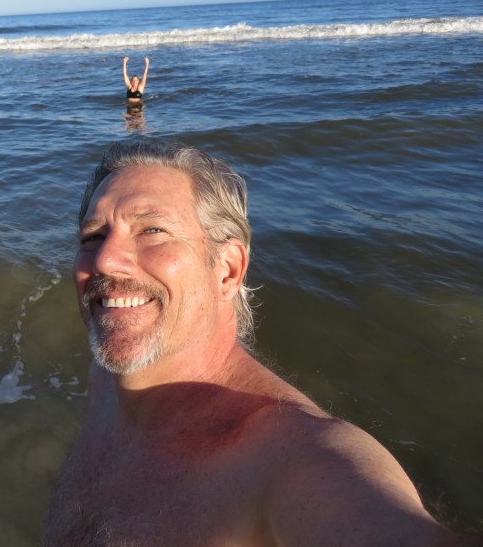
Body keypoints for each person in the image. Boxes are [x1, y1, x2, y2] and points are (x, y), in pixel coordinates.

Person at [45, 139, 479, 547]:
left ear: (228, 270)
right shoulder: (106, 383)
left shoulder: (289, 459)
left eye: (152, 230)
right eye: (92, 236)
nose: (105, 259)